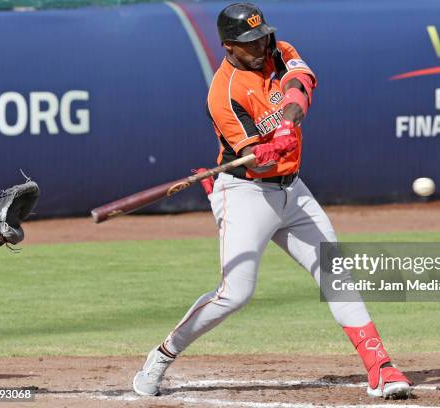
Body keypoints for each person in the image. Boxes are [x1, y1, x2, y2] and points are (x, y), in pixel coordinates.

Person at [133, 2, 412, 400]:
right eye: (249, 41)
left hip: (293, 190)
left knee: (336, 272)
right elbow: (257, 166)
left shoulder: (278, 50)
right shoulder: (223, 95)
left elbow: (303, 83)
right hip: (246, 192)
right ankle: (161, 356)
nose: (261, 44)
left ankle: (380, 367)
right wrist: (264, 155)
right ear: (229, 46)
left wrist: (287, 123)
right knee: (235, 294)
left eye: (262, 34)